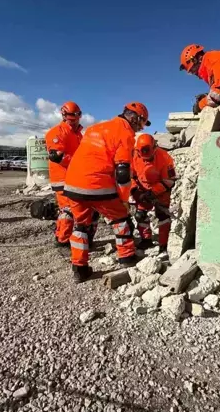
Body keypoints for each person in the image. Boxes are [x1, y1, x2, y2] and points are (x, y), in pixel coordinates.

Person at [63, 102, 151, 283]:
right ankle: (127, 257)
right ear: (133, 118)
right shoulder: (125, 133)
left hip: (73, 184)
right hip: (97, 185)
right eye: (142, 123)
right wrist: (124, 199)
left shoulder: (96, 127)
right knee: (121, 220)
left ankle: (79, 268)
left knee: (82, 226)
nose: (140, 128)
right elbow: (122, 172)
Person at [45, 101, 99, 247]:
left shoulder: (78, 135)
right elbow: (56, 156)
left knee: (88, 210)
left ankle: (84, 240)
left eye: (77, 115)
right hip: (62, 178)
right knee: (67, 211)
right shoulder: (56, 132)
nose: (75, 118)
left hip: (77, 178)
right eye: (71, 116)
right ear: (64, 115)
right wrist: (78, 163)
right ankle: (62, 241)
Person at [131, 134, 176, 258]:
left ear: (155, 147)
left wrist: (153, 192)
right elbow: (130, 176)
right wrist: (135, 190)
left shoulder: (165, 158)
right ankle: (146, 240)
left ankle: (163, 245)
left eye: (150, 157)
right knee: (140, 215)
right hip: (141, 189)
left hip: (161, 190)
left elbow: (170, 181)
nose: (147, 159)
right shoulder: (134, 156)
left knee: (163, 216)